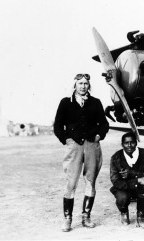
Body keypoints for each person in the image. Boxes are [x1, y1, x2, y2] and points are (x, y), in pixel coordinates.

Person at [54, 73, 109, 232]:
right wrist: (66, 140)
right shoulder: (66, 103)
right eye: (80, 83)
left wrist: (99, 135)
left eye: (86, 83)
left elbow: (104, 124)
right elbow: (58, 126)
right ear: (75, 85)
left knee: (90, 182)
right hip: (74, 146)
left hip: (92, 145)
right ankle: (68, 219)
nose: (83, 86)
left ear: (89, 85)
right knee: (71, 183)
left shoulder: (95, 102)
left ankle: (86, 216)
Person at [110, 132, 144, 228]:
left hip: (141, 187)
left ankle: (141, 216)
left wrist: (133, 173)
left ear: (136, 143)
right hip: (124, 187)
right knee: (122, 197)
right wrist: (137, 180)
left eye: (132, 142)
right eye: (126, 143)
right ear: (122, 144)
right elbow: (115, 181)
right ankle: (124, 212)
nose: (129, 145)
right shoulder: (116, 158)